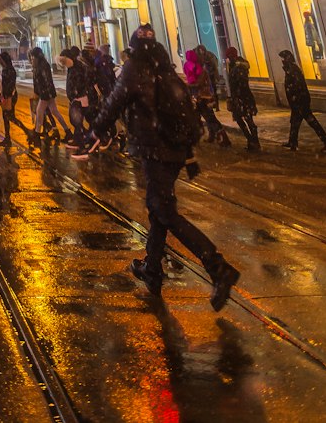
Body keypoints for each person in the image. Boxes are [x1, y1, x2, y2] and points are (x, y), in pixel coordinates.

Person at [91, 25, 240, 310]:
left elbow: (115, 101)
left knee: (166, 213)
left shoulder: (135, 67)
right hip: (173, 151)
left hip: (155, 149)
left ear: (133, 45)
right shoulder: (164, 66)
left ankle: (218, 268)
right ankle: (152, 269)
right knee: (159, 210)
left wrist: (95, 130)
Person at [279, 50, 326, 153]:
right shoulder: (291, 69)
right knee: (296, 122)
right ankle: (292, 142)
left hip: (300, 102)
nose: (281, 61)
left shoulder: (293, 70)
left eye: (282, 58)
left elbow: (298, 85)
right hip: (299, 101)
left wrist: (295, 97)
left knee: (310, 122)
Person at [183, 48, 230, 146]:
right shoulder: (195, 68)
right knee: (205, 118)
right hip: (200, 98)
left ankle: (222, 138)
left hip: (203, 98)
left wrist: (188, 86)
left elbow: (199, 83)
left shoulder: (200, 69)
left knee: (209, 118)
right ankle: (212, 136)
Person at [29, 45, 70, 145]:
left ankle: (37, 135)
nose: (32, 58)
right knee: (54, 112)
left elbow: (46, 81)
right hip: (47, 93)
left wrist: (44, 94)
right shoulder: (39, 65)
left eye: (33, 56)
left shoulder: (42, 65)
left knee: (39, 112)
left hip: (46, 93)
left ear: (36, 56)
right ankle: (67, 131)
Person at [224, 46, 259, 151]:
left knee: (245, 119)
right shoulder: (235, 65)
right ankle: (252, 141)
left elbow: (239, 83)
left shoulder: (238, 67)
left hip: (241, 97)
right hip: (242, 97)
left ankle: (253, 141)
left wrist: (236, 96)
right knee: (244, 119)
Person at [0, 49, 25, 150]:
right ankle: (7, 137)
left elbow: (8, 85)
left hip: (10, 96)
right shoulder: (8, 69)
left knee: (10, 117)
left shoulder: (8, 70)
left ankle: (26, 132)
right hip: (8, 96)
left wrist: (5, 96)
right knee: (7, 117)